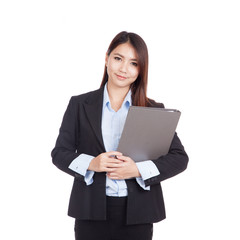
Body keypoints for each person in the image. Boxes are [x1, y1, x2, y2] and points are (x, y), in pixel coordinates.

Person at [51, 31, 189, 240]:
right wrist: (92, 164)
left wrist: (138, 170)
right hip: (90, 213)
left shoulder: (153, 109)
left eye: (134, 63)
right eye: (118, 59)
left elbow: (179, 158)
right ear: (107, 58)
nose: (124, 69)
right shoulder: (80, 105)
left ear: (141, 69)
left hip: (138, 215)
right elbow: (60, 153)